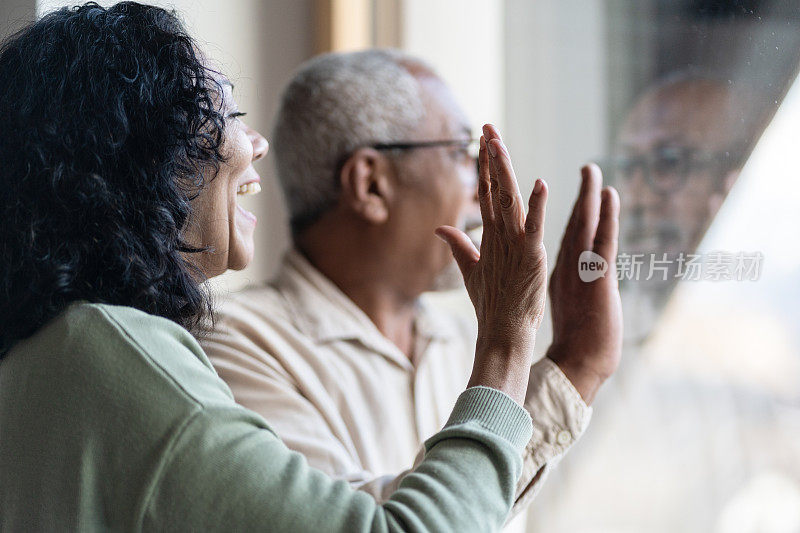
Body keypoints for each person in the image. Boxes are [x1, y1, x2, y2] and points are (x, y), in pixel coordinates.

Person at [0, 3, 621, 531]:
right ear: (143, 159)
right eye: (225, 117)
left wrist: (564, 363)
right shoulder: (157, 350)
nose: (256, 144)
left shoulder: (59, 355)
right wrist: (510, 342)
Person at [200, 48, 623, 529]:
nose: (478, 186)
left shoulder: (464, 343)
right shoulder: (231, 346)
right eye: (463, 154)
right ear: (371, 184)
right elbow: (376, 523)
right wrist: (570, 366)